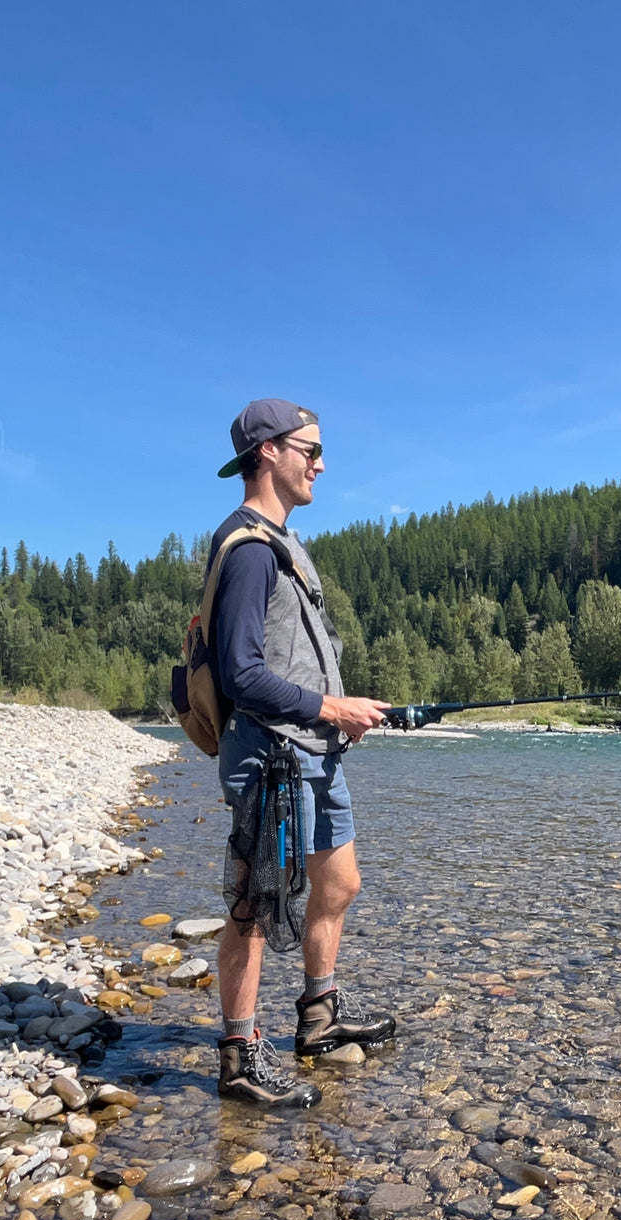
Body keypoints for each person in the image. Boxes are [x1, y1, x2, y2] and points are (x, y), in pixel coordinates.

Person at [208, 398, 394, 1107]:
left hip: (314, 752)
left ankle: (317, 1019)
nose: (321, 463)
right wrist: (330, 707)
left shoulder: (284, 543)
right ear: (267, 454)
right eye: (309, 450)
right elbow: (241, 675)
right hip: (270, 757)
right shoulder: (251, 550)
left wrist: (339, 714)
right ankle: (238, 1059)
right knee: (256, 905)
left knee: (339, 882)